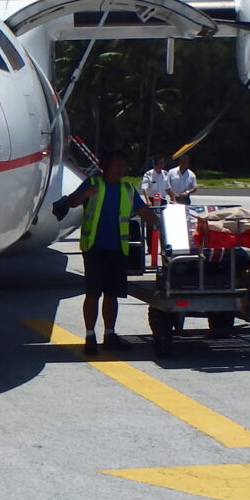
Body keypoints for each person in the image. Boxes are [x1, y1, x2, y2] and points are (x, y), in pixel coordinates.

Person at [52, 149, 152, 357]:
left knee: (112, 294)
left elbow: (143, 212)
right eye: (116, 166)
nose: (120, 170)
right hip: (95, 248)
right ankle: (90, 336)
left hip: (117, 249)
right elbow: (70, 203)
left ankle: (109, 335)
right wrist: (83, 195)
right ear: (106, 167)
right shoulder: (93, 185)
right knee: (93, 293)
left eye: (123, 167)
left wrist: (158, 222)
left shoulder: (127, 189)